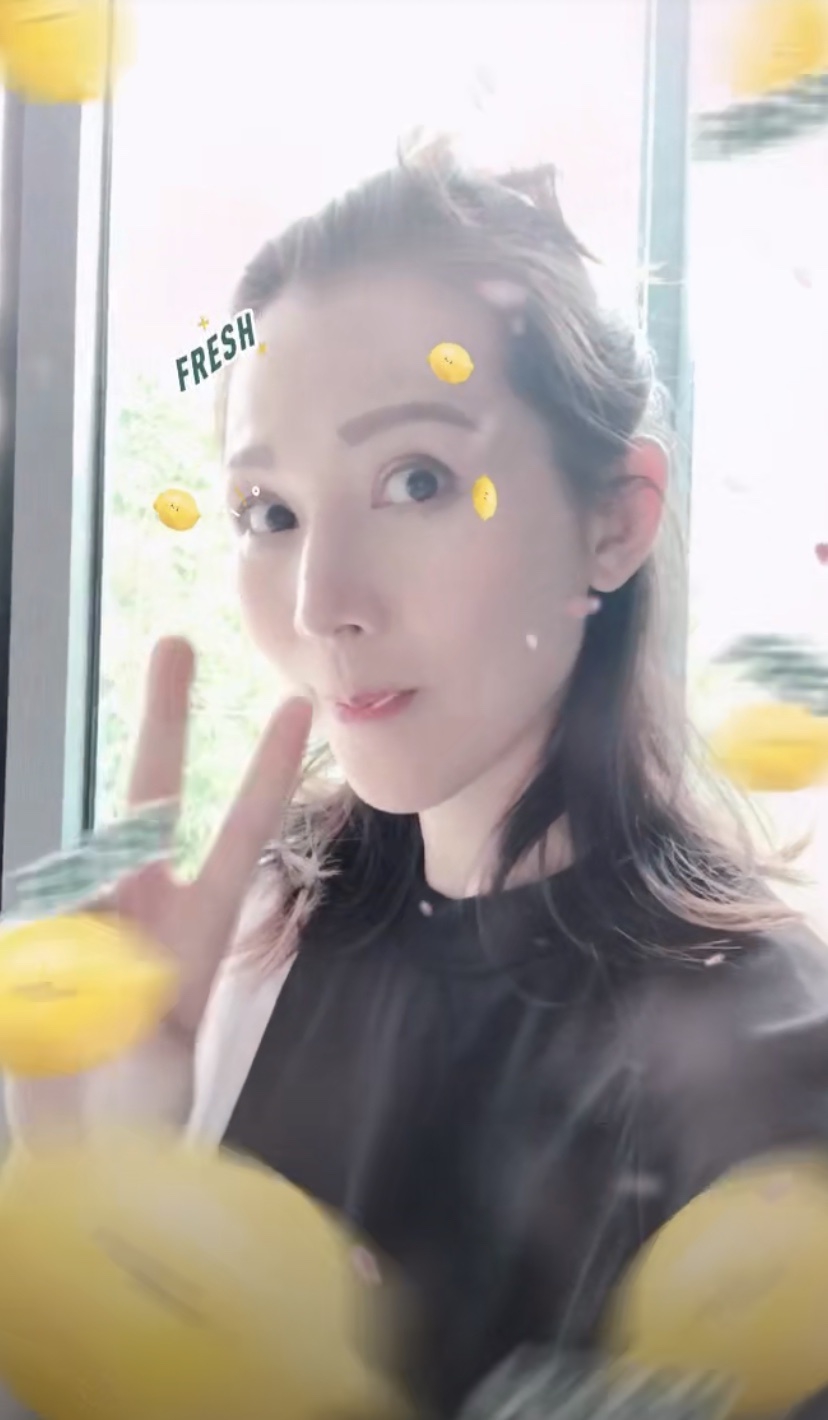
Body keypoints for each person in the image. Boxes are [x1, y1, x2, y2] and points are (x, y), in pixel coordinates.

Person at [6, 138, 828, 1420]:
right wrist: (88, 1196)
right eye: (270, 512)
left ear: (614, 518)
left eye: (417, 480)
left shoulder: (773, 1067)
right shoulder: (242, 958)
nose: (321, 600)